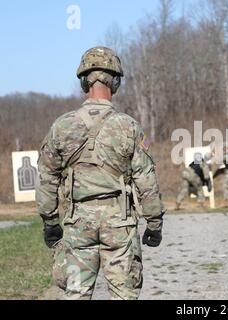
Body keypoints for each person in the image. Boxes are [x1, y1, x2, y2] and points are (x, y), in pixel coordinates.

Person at [36, 47, 165, 300]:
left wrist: (50, 223)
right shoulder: (128, 126)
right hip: (120, 222)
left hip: (77, 223)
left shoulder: (62, 126)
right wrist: (154, 223)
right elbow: (146, 180)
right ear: (115, 82)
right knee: (124, 295)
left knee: (76, 295)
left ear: (84, 82)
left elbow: (46, 179)